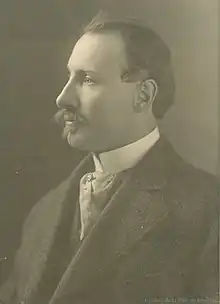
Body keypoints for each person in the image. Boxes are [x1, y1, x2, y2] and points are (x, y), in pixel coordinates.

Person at [0, 12, 218, 304]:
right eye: (69, 77)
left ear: (143, 95)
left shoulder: (208, 209)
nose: (63, 98)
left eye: (88, 80)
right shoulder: (44, 211)